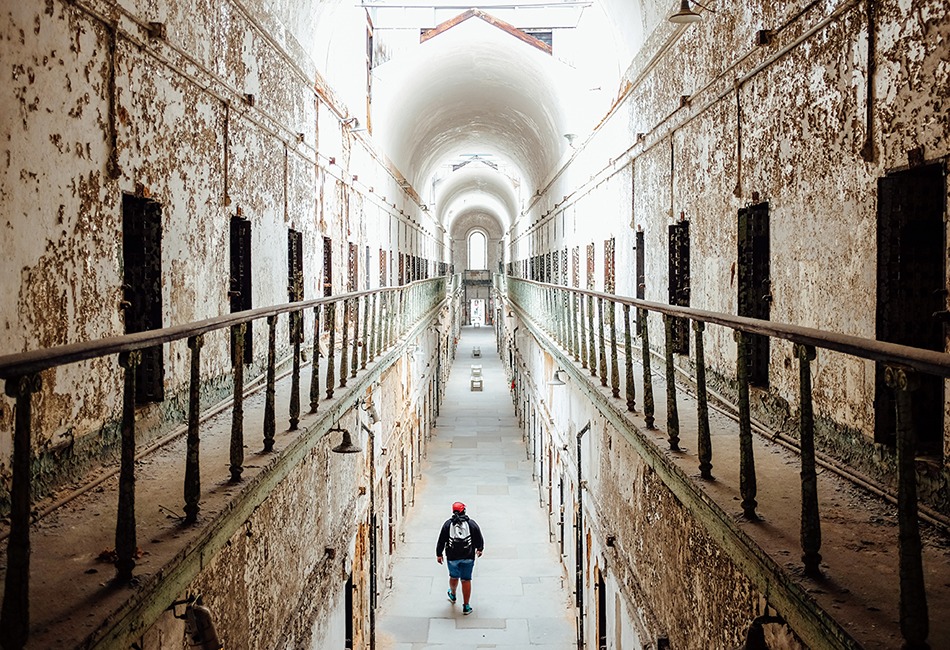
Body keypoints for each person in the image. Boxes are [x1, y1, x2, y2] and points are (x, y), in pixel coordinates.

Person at [436, 501, 484, 615]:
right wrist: (480, 549)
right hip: (468, 557)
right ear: (464, 511)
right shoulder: (471, 524)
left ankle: (453, 594)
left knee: (453, 576)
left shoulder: (448, 525)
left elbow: (441, 540)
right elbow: (479, 537)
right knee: (466, 580)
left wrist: (439, 554)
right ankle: (466, 606)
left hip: (452, 557)